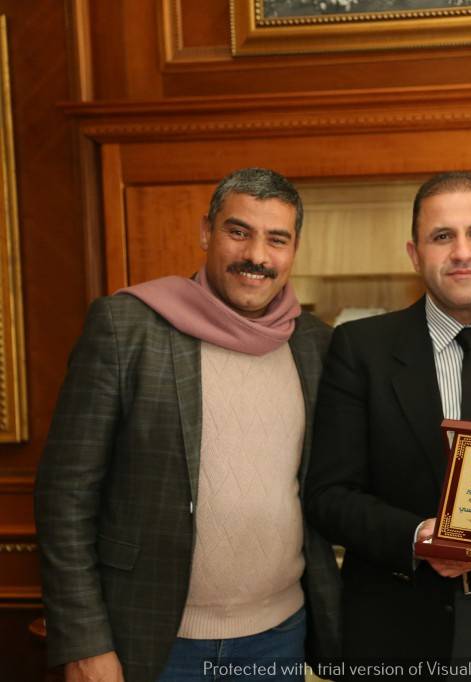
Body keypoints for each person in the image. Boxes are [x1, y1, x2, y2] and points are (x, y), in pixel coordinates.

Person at [35, 168, 342, 682]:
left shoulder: (315, 343)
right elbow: (65, 496)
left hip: (279, 636)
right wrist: (85, 642)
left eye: (277, 239)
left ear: (294, 249)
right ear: (206, 232)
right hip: (153, 641)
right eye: (238, 231)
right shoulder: (127, 326)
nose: (257, 256)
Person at [304, 172, 471, 675]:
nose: (461, 252)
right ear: (414, 254)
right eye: (442, 236)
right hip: (403, 624)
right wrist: (419, 537)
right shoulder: (362, 350)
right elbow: (328, 495)